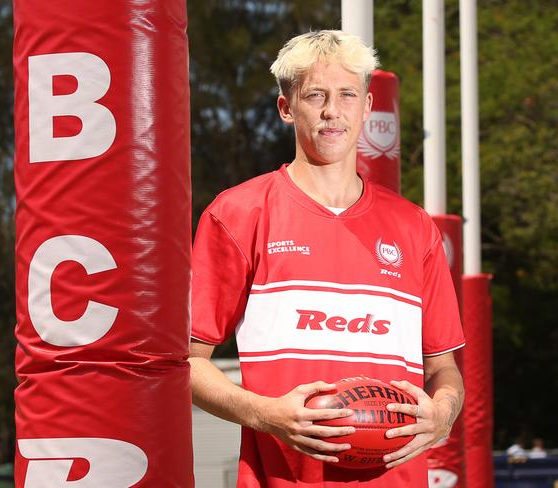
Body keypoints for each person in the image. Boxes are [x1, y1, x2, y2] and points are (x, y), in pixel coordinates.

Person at [189, 30, 465, 487]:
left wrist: (442, 413)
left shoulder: (414, 228)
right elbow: (185, 362)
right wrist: (264, 414)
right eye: (315, 95)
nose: (332, 111)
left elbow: (444, 369)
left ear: (367, 106)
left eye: (346, 95)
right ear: (286, 108)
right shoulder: (238, 214)